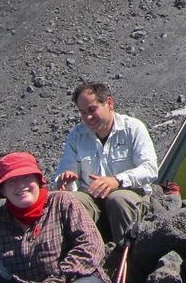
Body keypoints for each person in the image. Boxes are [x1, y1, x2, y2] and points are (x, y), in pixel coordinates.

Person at [0, 152, 111, 283]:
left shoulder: (63, 202)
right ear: (2, 190)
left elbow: (91, 245)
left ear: (38, 180)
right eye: (11, 181)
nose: (21, 185)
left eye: (26, 177)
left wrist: (60, 277)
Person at [55, 82, 158, 243]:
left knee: (118, 199)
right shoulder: (77, 135)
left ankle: (127, 258)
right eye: (82, 113)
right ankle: (82, 259)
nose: (87, 118)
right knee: (69, 203)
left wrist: (117, 180)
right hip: (93, 201)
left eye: (92, 110)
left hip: (131, 196)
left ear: (109, 103)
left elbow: (150, 169)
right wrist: (65, 181)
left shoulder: (133, 128)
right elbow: (65, 175)